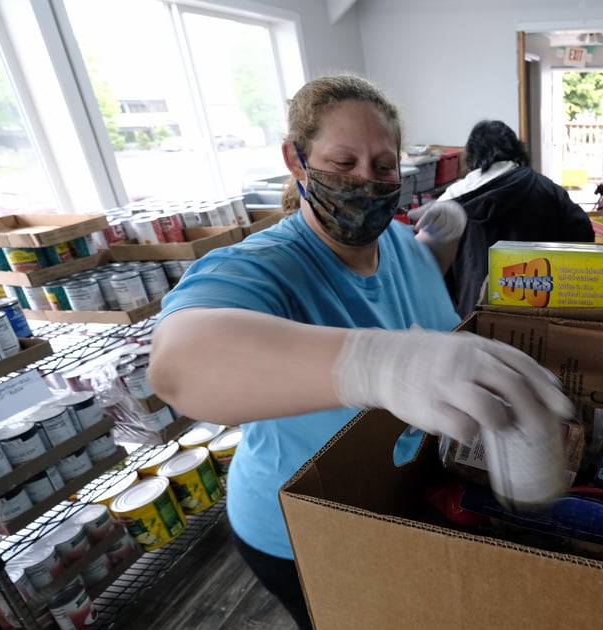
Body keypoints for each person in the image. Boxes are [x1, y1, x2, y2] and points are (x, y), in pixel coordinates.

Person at [148, 74, 573, 630]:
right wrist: (372, 363)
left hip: (391, 499)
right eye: (343, 164)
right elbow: (181, 364)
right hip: (300, 529)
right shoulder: (267, 265)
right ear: (296, 161)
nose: (365, 183)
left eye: (383, 167)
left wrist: (435, 249)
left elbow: (396, 298)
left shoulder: (395, 240)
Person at [435, 120, 595, 318]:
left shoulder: (450, 201)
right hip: (541, 307)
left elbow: (435, 270)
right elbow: (584, 234)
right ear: (516, 150)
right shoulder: (545, 188)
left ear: (472, 157)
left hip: (474, 316)